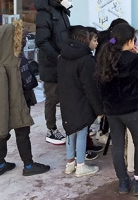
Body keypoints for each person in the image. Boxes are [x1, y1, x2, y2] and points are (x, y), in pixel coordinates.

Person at [0, 19, 50, 177]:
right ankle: (28, 165)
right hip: (13, 105)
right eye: (22, 37)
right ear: (10, 40)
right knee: (14, 133)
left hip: (18, 102)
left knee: (3, 133)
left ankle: (0, 164)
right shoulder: (5, 65)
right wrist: (1, 119)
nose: (25, 40)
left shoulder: (10, 58)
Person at [95, 23, 138, 196]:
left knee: (117, 145)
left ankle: (123, 182)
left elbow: (99, 84)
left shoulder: (104, 57)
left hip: (112, 110)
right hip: (131, 109)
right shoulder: (134, 59)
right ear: (130, 41)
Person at [58, 26, 104, 177]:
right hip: (80, 101)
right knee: (82, 132)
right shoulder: (85, 59)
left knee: (70, 131)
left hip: (66, 100)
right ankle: (81, 165)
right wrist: (99, 109)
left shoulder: (62, 56)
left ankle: (70, 163)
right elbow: (90, 87)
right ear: (83, 39)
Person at [34, 0, 74, 145]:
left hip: (64, 62)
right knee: (52, 98)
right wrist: (57, 57)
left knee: (66, 97)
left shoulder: (63, 11)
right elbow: (41, 41)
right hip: (51, 65)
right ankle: (51, 130)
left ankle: (70, 126)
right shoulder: (45, 14)